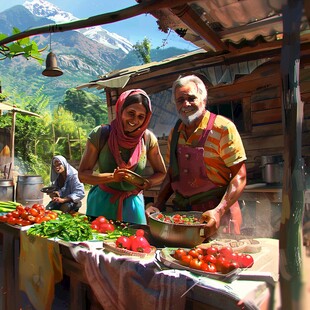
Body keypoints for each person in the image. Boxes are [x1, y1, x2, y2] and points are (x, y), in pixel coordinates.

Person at [146, 75, 247, 238]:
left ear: (204, 100)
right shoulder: (176, 132)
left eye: (191, 98)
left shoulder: (223, 128)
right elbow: (172, 174)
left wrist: (219, 211)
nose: (185, 104)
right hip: (184, 217)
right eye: (180, 100)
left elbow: (240, 176)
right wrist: (158, 205)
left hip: (217, 216)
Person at [78, 89, 167, 225]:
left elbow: (161, 173)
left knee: (133, 244)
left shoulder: (148, 139)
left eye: (141, 116)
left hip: (133, 206)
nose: (135, 120)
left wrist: (148, 182)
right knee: (101, 242)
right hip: (102, 203)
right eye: (131, 113)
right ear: (120, 110)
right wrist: (112, 177)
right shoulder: (101, 134)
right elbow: (83, 175)